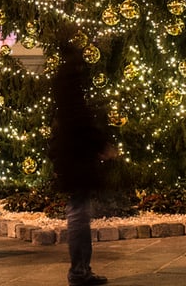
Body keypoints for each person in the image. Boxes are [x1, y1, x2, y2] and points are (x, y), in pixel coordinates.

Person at [49, 34, 117, 286]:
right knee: (79, 212)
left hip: (70, 155)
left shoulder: (63, 80)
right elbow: (80, 119)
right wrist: (101, 144)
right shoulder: (71, 82)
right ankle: (79, 271)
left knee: (78, 210)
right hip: (76, 157)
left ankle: (81, 269)